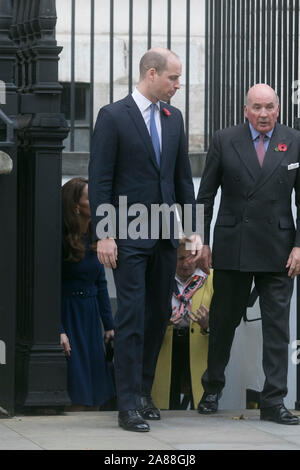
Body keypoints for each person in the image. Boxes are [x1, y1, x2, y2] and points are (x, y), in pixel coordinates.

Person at [88, 48, 202, 432]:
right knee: (132, 315)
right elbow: (100, 179)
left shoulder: (174, 119)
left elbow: (182, 179)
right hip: (128, 234)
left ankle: (143, 394)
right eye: (173, 78)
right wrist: (104, 233)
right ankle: (127, 405)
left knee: (157, 316)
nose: (178, 84)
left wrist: (192, 230)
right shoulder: (113, 116)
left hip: (166, 236)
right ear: (150, 74)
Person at [197, 83, 300, 425]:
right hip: (232, 246)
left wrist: (299, 245)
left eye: (269, 106)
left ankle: (273, 401)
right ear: (245, 110)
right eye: (256, 107)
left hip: (279, 250)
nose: (263, 114)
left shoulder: (294, 140)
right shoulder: (224, 139)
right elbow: (205, 196)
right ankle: (212, 388)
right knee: (224, 322)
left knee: (277, 329)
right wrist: (202, 240)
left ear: (279, 108)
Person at [60, 177, 116, 409]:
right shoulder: (61, 240)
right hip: (70, 313)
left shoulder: (96, 236)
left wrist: (109, 325)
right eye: (89, 198)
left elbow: (101, 284)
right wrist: (59, 330)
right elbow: (50, 288)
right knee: (77, 389)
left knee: (96, 394)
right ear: (76, 206)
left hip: (91, 315)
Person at [151, 238, 213, 410]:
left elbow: (223, 320)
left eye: (191, 258)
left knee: (198, 398)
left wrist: (208, 324)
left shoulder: (209, 278)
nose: (186, 264)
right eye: (180, 259)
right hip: (168, 344)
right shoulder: (160, 278)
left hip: (198, 345)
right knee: (167, 400)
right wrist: (162, 322)